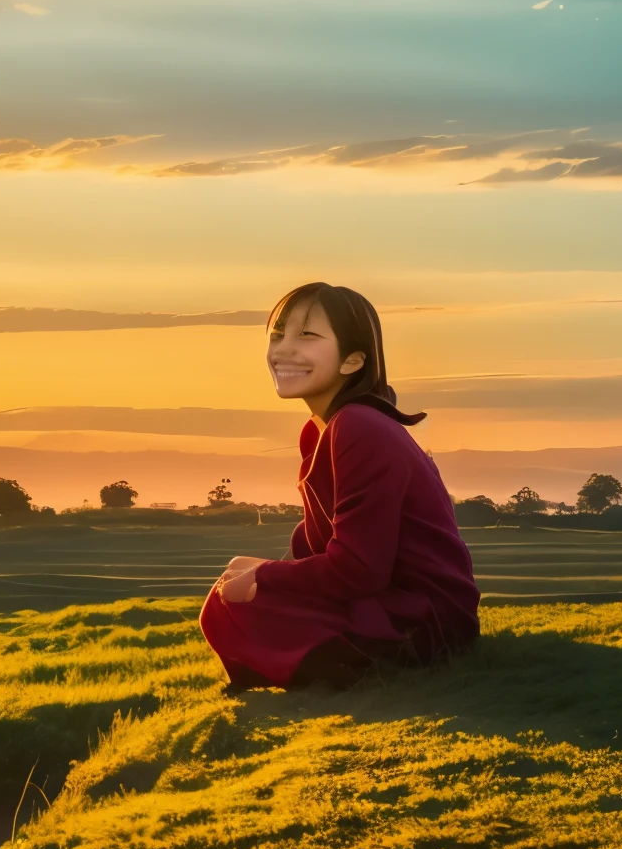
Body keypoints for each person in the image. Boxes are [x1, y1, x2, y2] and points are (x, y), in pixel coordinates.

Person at [199, 281, 479, 690]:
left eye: (307, 336)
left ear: (352, 361)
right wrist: (261, 568)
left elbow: (359, 569)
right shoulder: (321, 431)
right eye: (278, 335)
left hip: (424, 621)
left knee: (239, 605)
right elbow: (321, 545)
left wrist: (267, 578)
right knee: (230, 590)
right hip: (386, 601)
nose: (284, 349)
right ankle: (319, 662)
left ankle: (349, 669)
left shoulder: (359, 427)